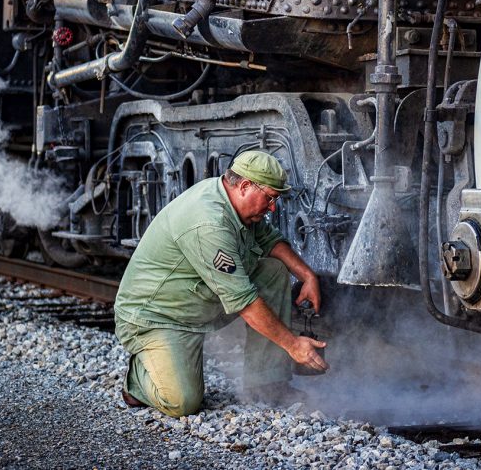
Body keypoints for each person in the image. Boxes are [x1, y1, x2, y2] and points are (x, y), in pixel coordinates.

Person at [114, 150, 327, 416]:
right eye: (270, 198)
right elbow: (245, 303)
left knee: (272, 270)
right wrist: (294, 346)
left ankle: (268, 382)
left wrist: (307, 275)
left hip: (195, 304)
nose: (273, 207)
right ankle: (137, 380)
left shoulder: (233, 201)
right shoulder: (209, 222)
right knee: (183, 403)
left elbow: (269, 240)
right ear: (245, 186)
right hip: (158, 317)